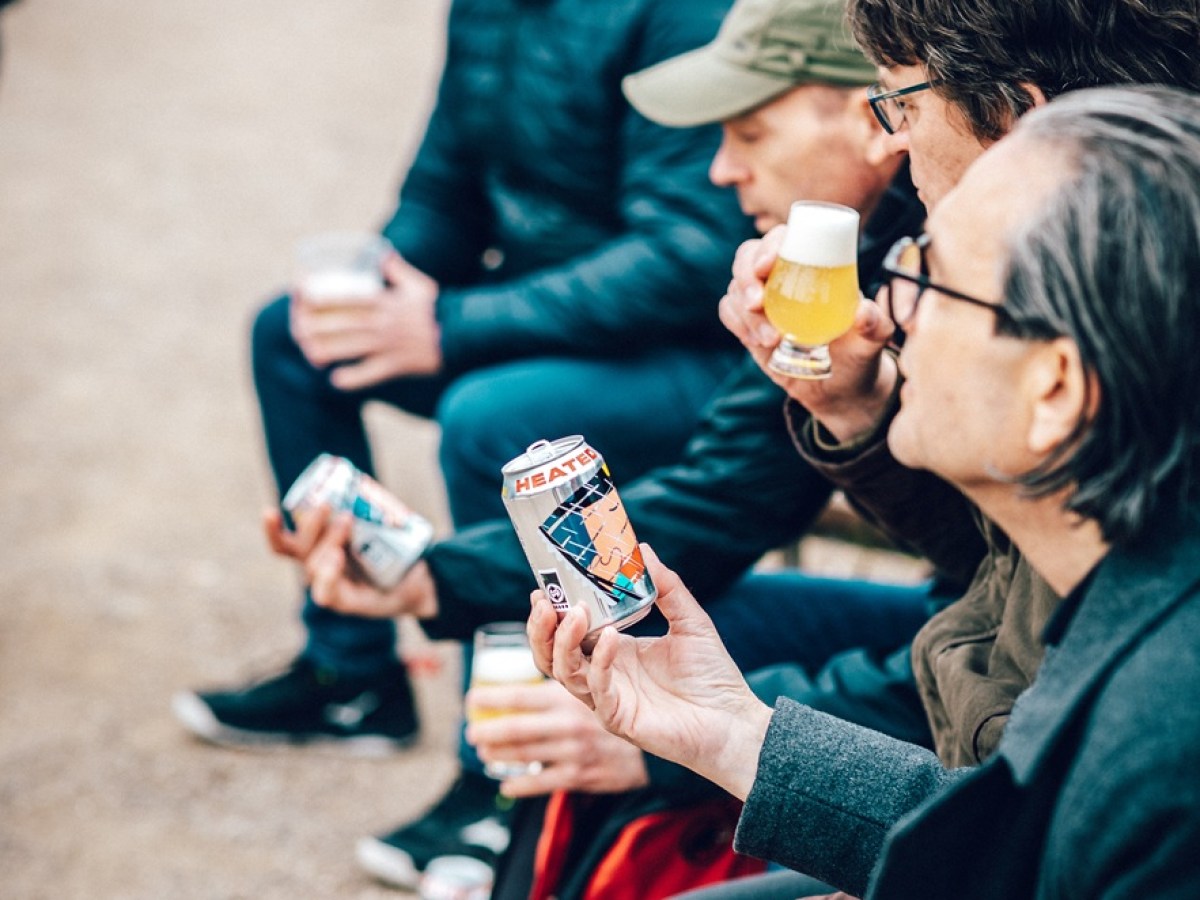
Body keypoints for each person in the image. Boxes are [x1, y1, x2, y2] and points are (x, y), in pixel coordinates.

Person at [272, 0, 949, 889]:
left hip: (970, 669)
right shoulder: (836, 269)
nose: (722, 168)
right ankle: (449, 761)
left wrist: (674, 751)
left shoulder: (942, 273)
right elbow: (725, 498)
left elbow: (996, 659)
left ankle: (500, 803)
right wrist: (429, 575)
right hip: (953, 636)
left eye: (747, 132)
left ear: (879, 119)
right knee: (600, 649)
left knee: (593, 628)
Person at [533, 84, 1200, 898]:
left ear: (1055, 387)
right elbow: (1008, 836)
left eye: (934, 279)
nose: (887, 311)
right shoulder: (1127, 599)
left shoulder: (1161, 741)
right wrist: (731, 731)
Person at [173, 0, 753, 885]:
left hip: (684, 351)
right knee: (292, 337)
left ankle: (504, 776)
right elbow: (444, 190)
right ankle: (352, 677)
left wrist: (449, 323)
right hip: (532, 323)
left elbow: (687, 253)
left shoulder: (679, 13)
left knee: (493, 419)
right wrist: (386, 291)